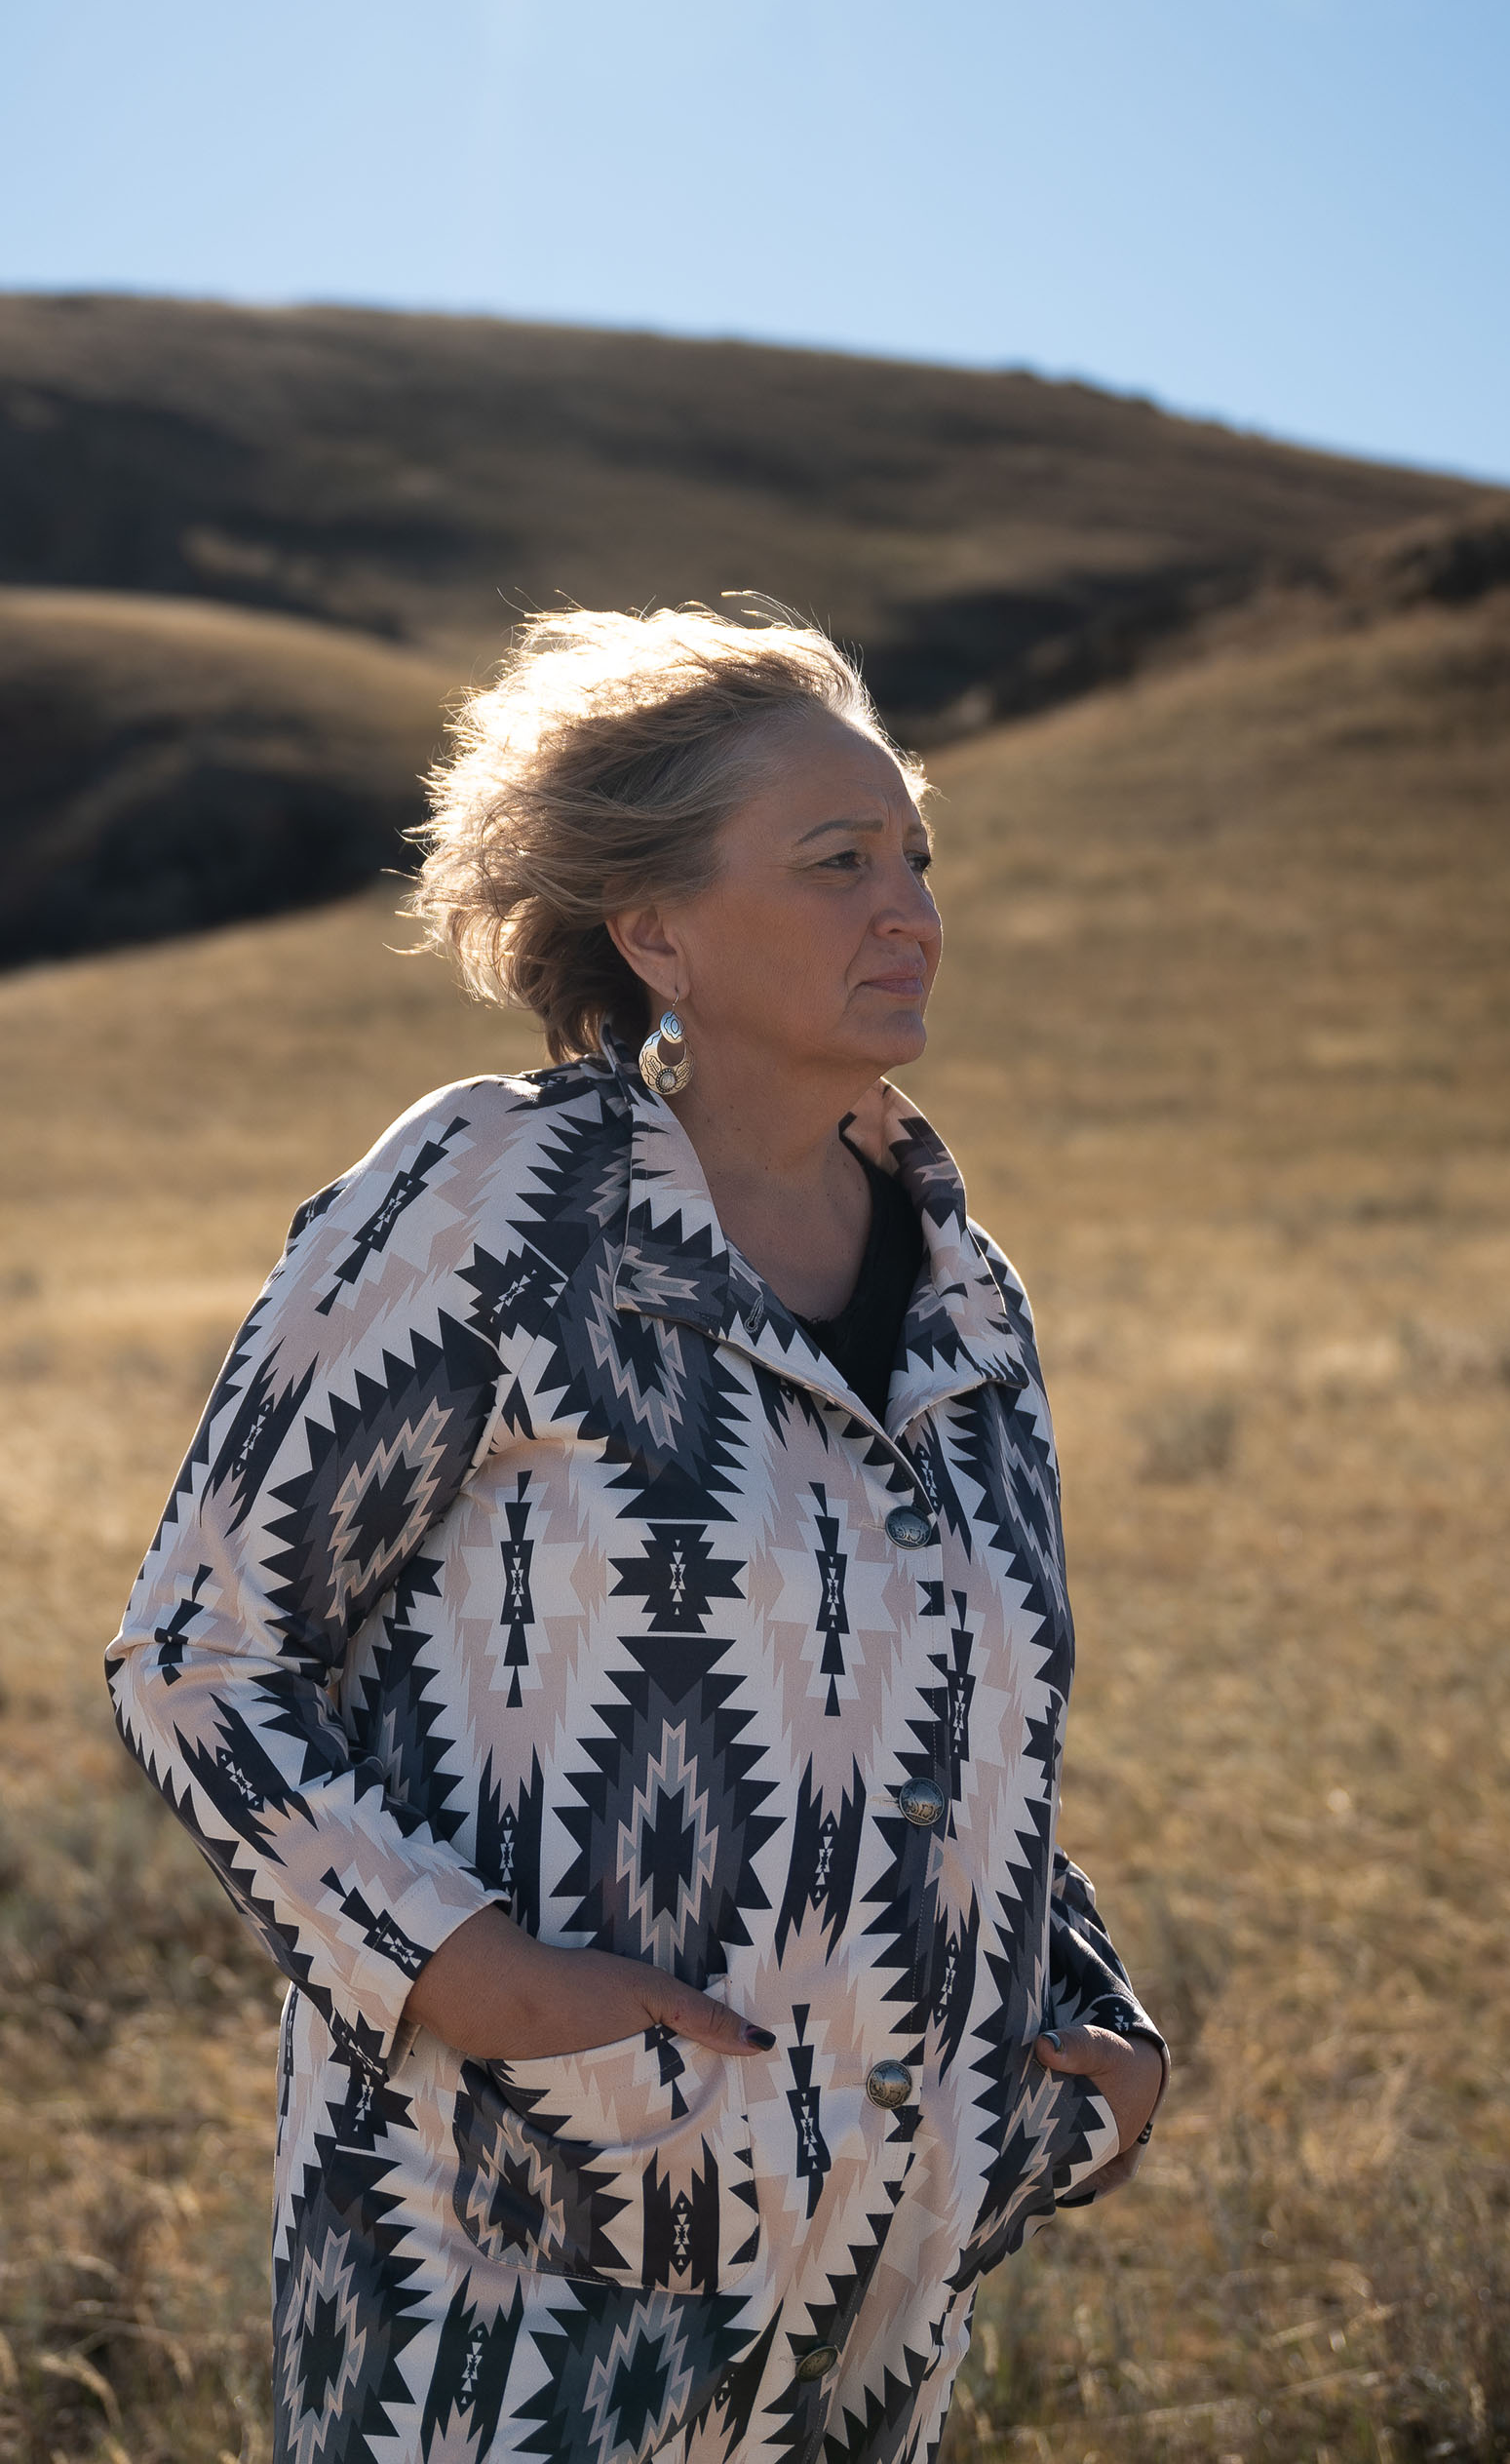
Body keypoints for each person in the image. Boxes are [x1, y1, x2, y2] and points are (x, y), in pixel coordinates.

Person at [103, 602, 1163, 2464]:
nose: (907, 903)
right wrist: (472, 1981)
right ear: (655, 927)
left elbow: (981, 1718)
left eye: (916, 853)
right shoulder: (496, 1196)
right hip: (516, 2266)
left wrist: (1086, 2029)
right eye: (838, 863)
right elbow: (202, 1657)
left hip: (882, 2280)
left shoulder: (969, 1290)